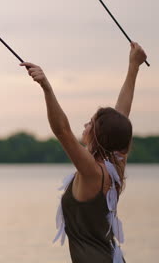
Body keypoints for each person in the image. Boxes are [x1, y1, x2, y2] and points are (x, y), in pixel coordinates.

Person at [20, 42, 147, 263]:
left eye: (90, 123)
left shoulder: (92, 171)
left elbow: (62, 131)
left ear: (98, 136)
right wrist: (133, 65)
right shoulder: (116, 163)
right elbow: (122, 114)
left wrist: (46, 87)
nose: (85, 125)